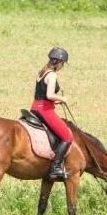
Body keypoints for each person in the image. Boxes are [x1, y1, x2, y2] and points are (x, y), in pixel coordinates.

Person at [30, 46, 74, 179]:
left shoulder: (42, 72)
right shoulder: (52, 75)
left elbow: (41, 96)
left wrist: (56, 102)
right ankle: (55, 168)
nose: (62, 67)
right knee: (67, 137)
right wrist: (62, 98)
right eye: (62, 64)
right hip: (45, 110)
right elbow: (49, 95)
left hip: (35, 107)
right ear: (58, 62)